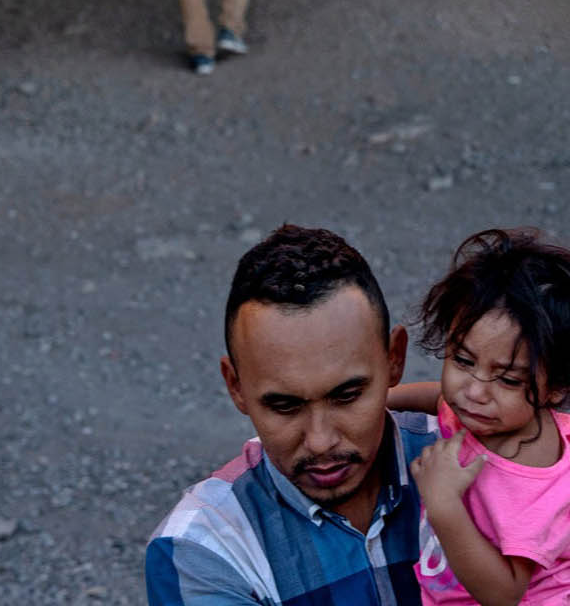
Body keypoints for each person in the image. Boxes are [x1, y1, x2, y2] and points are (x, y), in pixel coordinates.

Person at [145, 225, 439, 605]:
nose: (320, 441)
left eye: (347, 396)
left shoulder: (486, 462)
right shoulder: (201, 550)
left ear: (394, 359)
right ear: (236, 387)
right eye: (285, 406)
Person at [383, 229, 570, 606]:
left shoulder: (525, 475)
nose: (475, 390)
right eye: (463, 360)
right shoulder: (489, 411)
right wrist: (379, 401)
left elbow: (503, 593)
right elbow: (440, 399)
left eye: (508, 379)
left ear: (558, 386)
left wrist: (444, 502)